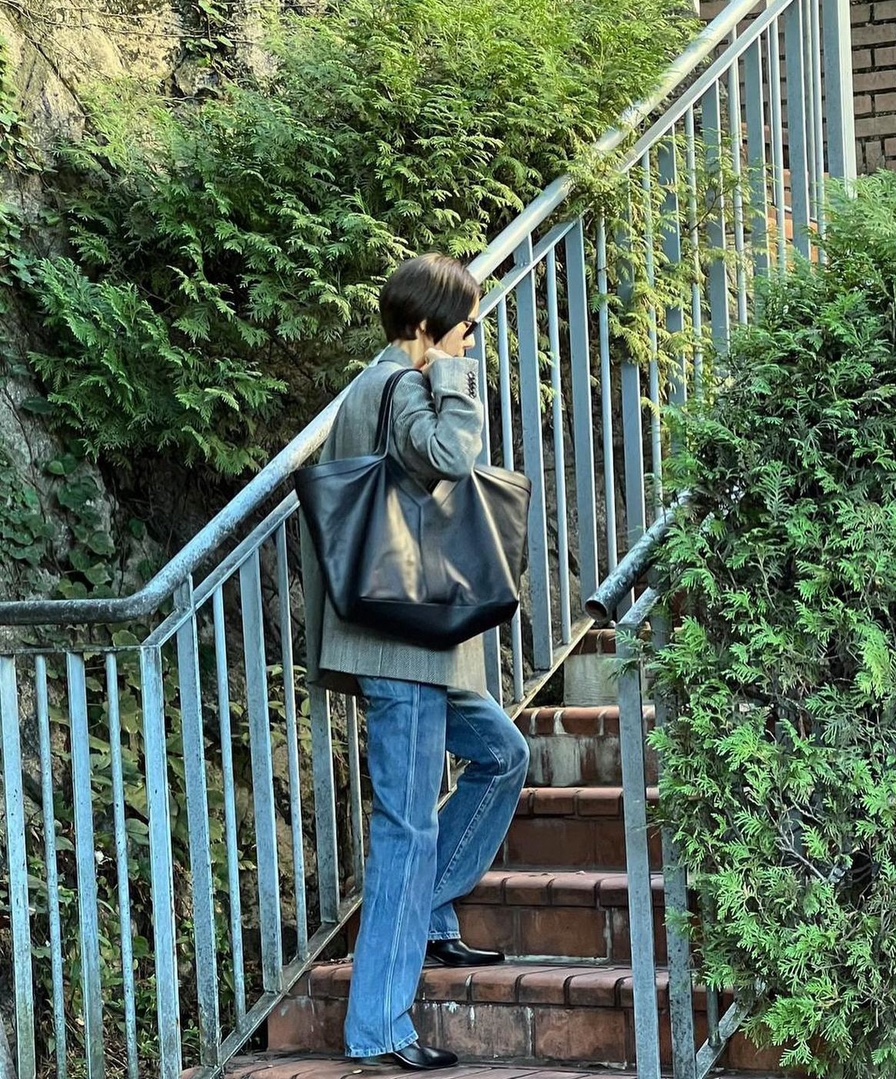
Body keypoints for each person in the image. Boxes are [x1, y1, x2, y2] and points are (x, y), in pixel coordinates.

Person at [302, 254, 530, 1071]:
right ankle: (378, 1026)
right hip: (401, 647)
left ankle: (425, 912)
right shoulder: (403, 385)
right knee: (405, 826)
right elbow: (449, 457)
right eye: (466, 324)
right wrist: (455, 377)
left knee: (504, 753)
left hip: (419, 648)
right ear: (429, 326)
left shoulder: (372, 386)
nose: (473, 337)